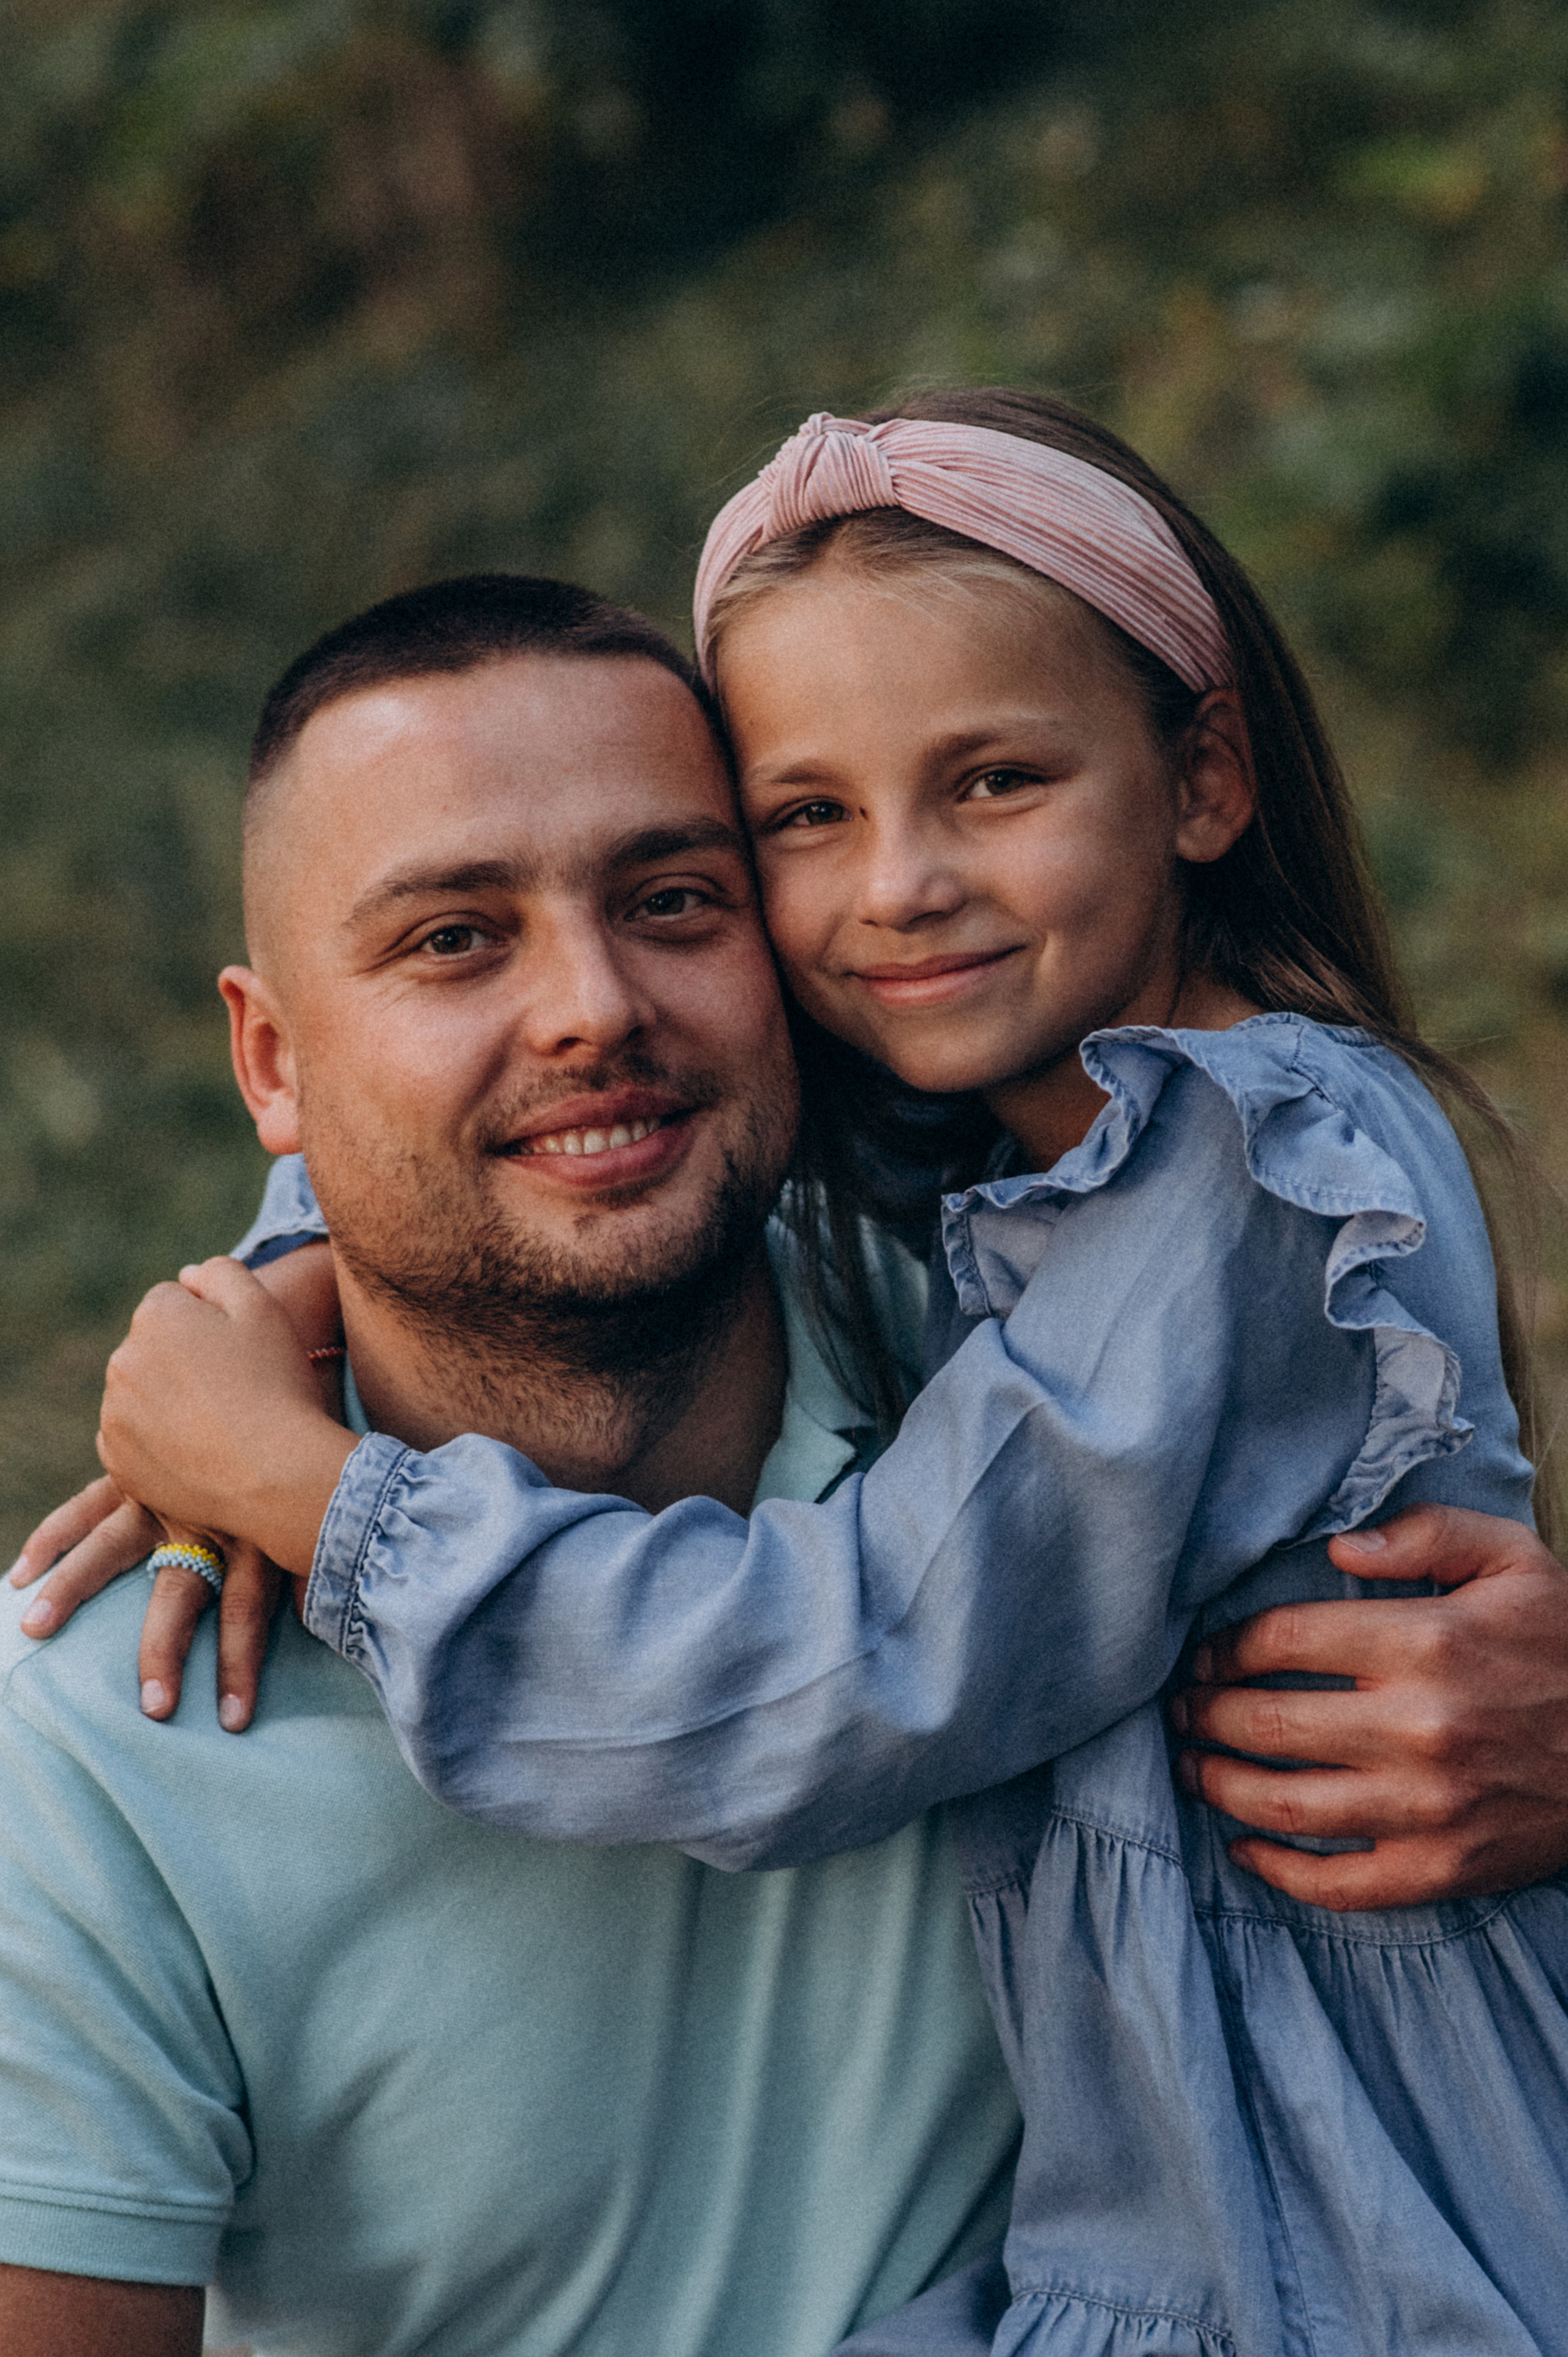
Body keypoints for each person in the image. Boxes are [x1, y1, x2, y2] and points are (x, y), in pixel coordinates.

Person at [75, 401, 1568, 2353]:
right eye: (809, 820)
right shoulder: (1000, 1148)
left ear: (1204, 779)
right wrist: (286, 1283)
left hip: (1341, 2244)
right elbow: (482, 1126)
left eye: (997, 782)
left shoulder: (1243, 1163)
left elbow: (846, 1670)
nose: (901, 887)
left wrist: (324, 1498)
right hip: (1148, 2224)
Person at [0, 581, 1033, 2357]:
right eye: (453, 941)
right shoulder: (93, 1741)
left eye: (673, 903)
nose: (593, 1009)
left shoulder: (1029, 1397)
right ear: (273, 1060)